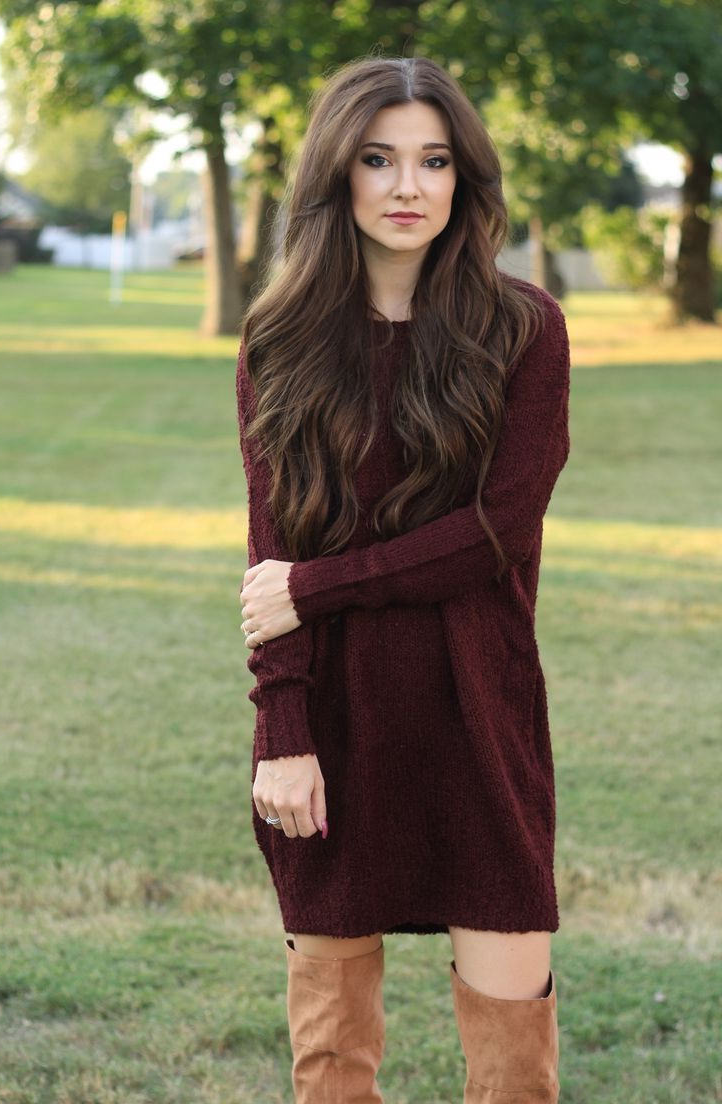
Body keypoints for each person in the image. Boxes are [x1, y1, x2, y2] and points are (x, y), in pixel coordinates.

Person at [236, 54, 570, 1104]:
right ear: (337, 174)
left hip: (481, 703)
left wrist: (320, 587)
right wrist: (281, 732)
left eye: (433, 160)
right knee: (331, 1060)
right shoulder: (280, 342)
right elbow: (269, 557)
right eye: (377, 159)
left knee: (514, 1058)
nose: (406, 186)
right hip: (333, 718)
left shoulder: (521, 329)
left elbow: (492, 535)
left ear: (464, 179)